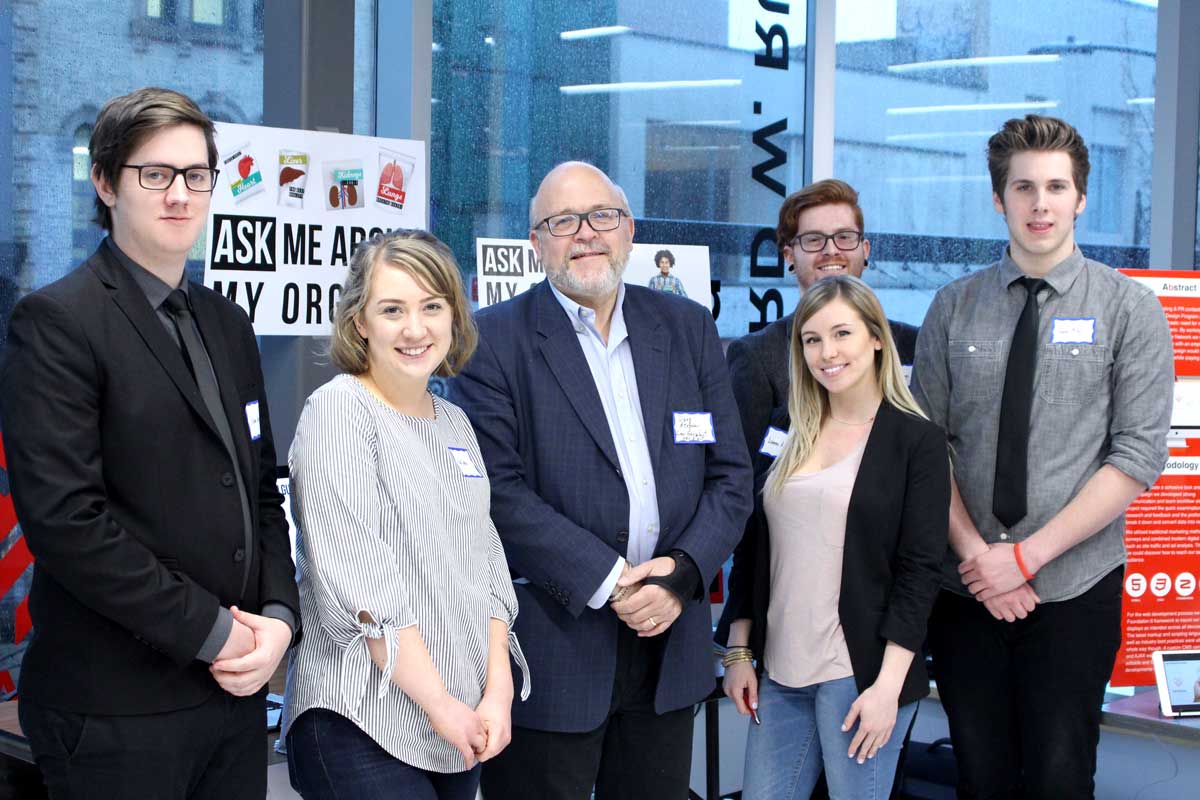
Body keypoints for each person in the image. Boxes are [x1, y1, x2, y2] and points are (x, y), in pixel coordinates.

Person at [0, 87, 299, 798]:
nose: (180, 195)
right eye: (155, 174)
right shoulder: (56, 323)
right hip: (114, 709)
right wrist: (214, 632)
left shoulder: (227, 324)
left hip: (232, 700)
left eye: (196, 175)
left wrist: (280, 621)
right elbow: (69, 523)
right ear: (105, 183)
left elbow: (259, 488)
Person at [450, 161, 753, 799]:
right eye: (563, 222)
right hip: (553, 651)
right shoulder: (491, 339)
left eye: (602, 217)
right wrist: (612, 581)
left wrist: (682, 575)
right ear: (536, 243)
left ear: (629, 230)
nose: (586, 233)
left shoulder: (689, 328)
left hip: (669, 646)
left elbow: (730, 476)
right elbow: (495, 492)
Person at [911, 114, 1174, 799]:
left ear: (1081, 197)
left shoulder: (1130, 311)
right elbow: (924, 445)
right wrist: (981, 559)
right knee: (981, 777)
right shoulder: (953, 308)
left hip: (1073, 591)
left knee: (1061, 780)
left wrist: (1024, 559)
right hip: (965, 591)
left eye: (1056, 186)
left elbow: (1138, 455)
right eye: (1023, 187)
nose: (1040, 203)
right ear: (999, 198)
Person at [283, 231, 528, 800]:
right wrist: (443, 705)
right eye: (392, 309)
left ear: (453, 316)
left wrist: (495, 693)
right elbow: (364, 592)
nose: (415, 329)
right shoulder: (339, 411)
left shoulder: (454, 424)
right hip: (360, 720)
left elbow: (486, 566)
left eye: (432, 306)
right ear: (360, 322)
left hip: (457, 721)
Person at [720, 275, 948, 799]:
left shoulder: (917, 441)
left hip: (861, 673)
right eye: (812, 339)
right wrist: (738, 650)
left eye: (842, 334)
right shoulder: (786, 426)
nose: (828, 352)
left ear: (875, 337)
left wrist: (888, 687)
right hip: (781, 671)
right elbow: (755, 547)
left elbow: (920, 572)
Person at [726, 179, 919, 462]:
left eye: (844, 236)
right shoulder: (757, 356)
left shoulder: (912, 345)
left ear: (864, 249)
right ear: (789, 255)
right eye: (814, 239)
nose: (831, 250)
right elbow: (743, 471)